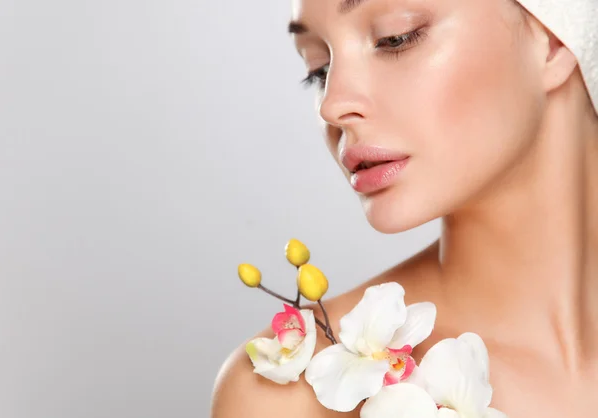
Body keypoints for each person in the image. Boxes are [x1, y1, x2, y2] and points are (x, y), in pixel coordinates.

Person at [211, 0, 598, 416]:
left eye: (394, 38)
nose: (332, 105)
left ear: (554, 40)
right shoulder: (288, 396)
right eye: (319, 70)